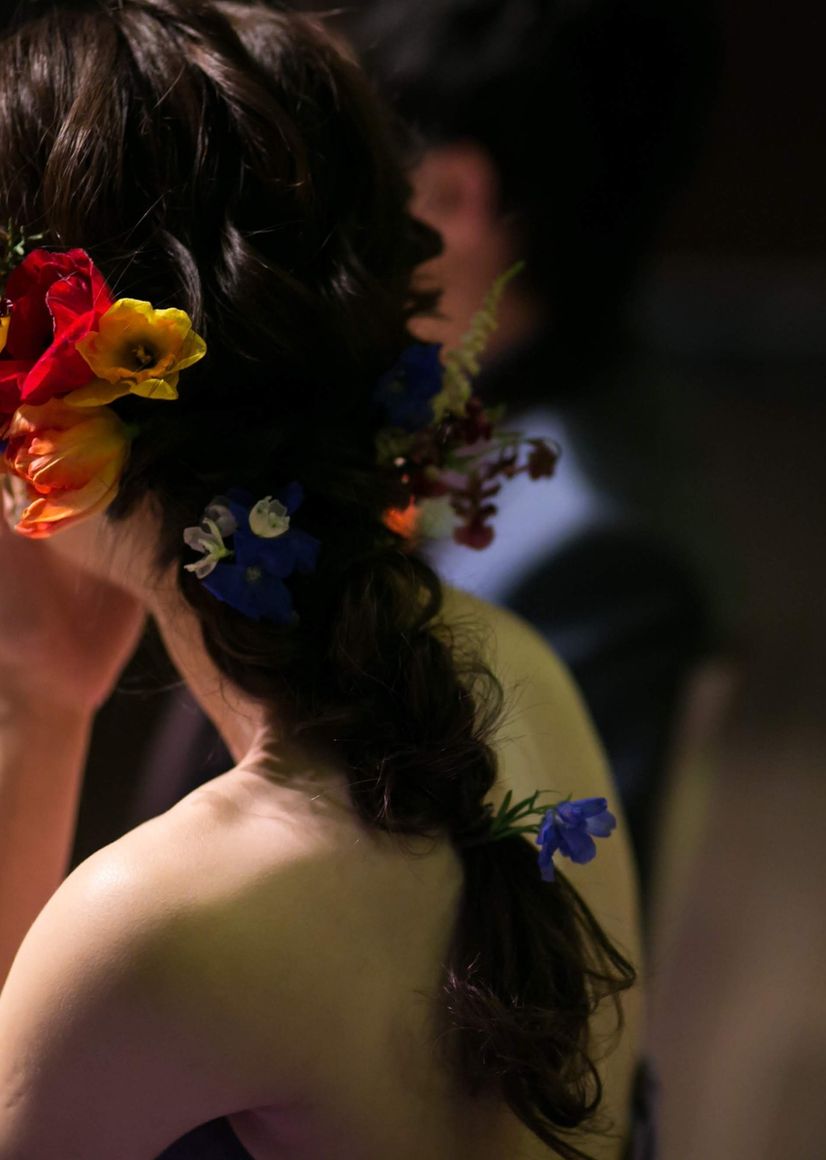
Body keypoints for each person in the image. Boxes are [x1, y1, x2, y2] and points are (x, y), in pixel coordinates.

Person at [0, 3, 644, 1158]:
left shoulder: (151, 921)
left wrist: (32, 710)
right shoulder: (518, 671)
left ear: (59, 414)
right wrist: (49, 691)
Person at [123, 0, 724, 903]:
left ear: (452, 196)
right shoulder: (465, 411)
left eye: (344, 166)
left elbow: (544, 944)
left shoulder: (590, 557)